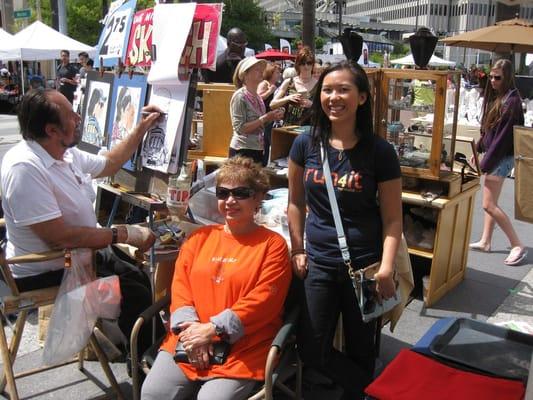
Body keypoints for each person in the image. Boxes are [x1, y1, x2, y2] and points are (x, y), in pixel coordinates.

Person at [1, 88, 164, 360]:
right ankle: (146, 367)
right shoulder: (25, 169)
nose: (79, 117)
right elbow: (60, 237)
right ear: (52, 130)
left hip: (77, 253)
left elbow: (110, 163)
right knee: (134, 295)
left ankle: (142, 353)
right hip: (47, 266)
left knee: (138, 276)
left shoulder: (63, 152)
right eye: (71, 115)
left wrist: (142, 127)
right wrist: (122, 233)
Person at [287, 61, 402, 399]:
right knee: (312, 349)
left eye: (343, 90)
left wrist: (386, 267)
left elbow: (394, 218)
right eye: (327, 90)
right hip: (318, 264)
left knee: (362, 350)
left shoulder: (380, 152)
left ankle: (360, 391)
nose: (334, 97)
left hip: (365, 267)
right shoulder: (305, 144)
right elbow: (295, 203)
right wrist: (297, 248)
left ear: (362, 98)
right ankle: (372, 390)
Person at [141, 156, 292, 400]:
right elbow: (180, 289)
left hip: (245, 347)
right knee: (153, 393)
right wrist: (193, 333)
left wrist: (212, 330)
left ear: (258, 197)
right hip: (190, 339)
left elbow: (264, 300)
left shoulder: (272, 245)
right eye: (223, 193)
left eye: (241, 193)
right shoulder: (199, 238)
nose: (230, 200)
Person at [469, 59, 527, 266]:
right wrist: (477, 149)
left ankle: (516, 244)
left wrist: (482, 162)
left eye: (497, 77)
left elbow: (502, 139)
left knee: (488, 204)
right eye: (491, 76)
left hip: (502, 157)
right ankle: (486, 240)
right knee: (490, 201)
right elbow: (491, 133)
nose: (492, 80)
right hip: (498, 155)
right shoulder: (502, 98)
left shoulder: (511, 102)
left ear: (507, 77)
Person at [229, 57, 284, 164]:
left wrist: (273, 116)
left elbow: (260, 124)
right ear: (245, 74)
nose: (261, 72)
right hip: (242, 151)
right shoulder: (240, 96)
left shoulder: (257, 97)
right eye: (256, 70)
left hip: (257, 149)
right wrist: (265, 118)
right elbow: (240, 128)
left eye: (261, 69)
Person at [270, 46, 318, 126]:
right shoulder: (289, 82)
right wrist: (288, 98)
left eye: (309, 63)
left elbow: (327, 109)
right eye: (302, 63)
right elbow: (272, 104)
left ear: (313, 65)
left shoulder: (319, 84)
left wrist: (312, 105)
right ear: (298, 65)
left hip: (310, 129)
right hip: (289, 128)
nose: (306, 66)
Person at [257, 62, 281, 165]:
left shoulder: (275, 85)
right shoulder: (264, 83)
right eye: (276, 72)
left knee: (269, 145)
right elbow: (258, 98)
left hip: (271, 118)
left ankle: (265, 164)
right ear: (270, 73)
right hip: (265, 118)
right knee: (267, 144)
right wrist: (270, 91)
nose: (279, 74)